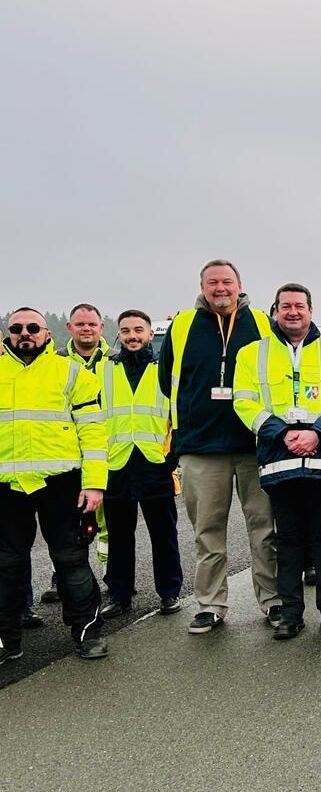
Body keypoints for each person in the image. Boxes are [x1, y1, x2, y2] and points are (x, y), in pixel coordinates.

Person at [159, 260, 280, 634]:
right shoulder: (181, 325)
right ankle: (211, 605)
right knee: (208, 532)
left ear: (240, 285)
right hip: (200, 447)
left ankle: (274, 601)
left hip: (254, 445)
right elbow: (168, 381)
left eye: (227, 281)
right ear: (202, 287)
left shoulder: (261, 323)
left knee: (264, 529)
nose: (220, 288)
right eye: (212, 282)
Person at [233, 284, 321, 639]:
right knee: (287, 539)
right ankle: (290, 612)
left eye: (300, 306)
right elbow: (244, 402)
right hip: (280, 459)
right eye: (286, 306)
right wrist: (281, 433)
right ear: (275, 311)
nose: (293, 312)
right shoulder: (251, 354)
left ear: (311, 310)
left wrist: (318, 433)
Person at [0, 308, 109, 662]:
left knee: (71, 561)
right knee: (5, 566)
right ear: (8, 333)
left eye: (33, 327)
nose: (25, 333)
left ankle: (87, 631)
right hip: (7, 486)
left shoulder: (71, 372)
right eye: (17, 328)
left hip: (61, 484)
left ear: (47, 333)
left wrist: (94, 484)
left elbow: (93, 432)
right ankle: (7, 642)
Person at [97, 310, 184, 617]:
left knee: (164, 535)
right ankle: (120, 596)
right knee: (120, 538)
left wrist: (171, 458)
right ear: (118, 335)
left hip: (154, 463)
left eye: (138, 330)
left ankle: (170, 593)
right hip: (116, 465)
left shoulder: (166, 369)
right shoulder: (103, 369)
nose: (132, 336)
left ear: (150, 334)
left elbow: (179, 415)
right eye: (125, 331)